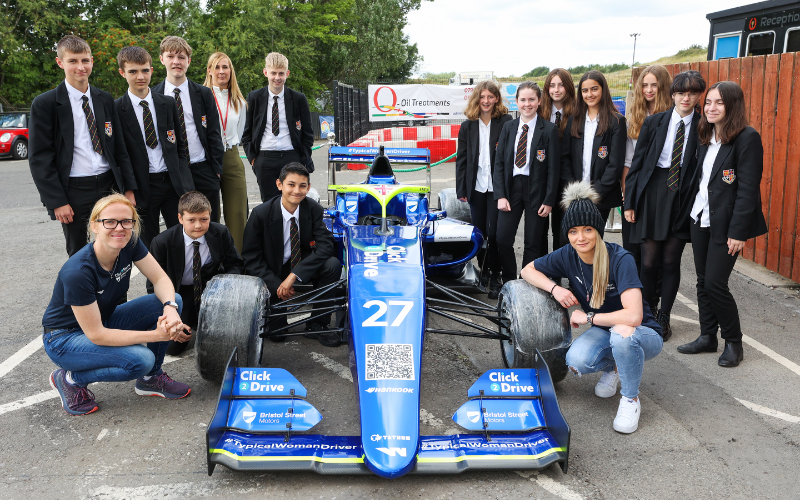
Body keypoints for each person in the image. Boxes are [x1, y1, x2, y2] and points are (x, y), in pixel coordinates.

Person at [521, 181, 663, 434]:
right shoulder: (567, 254)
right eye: (574, 231)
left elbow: (634, 315)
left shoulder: (620, 259)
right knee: (576, 360)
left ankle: (630, 399)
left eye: (588, 229)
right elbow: (527, 270)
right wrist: (556, 289)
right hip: (606, 327)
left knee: (622, 333)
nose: (581, 237)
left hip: (642, 333)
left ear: (598, 230)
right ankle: (614, 368)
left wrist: (588, 316)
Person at [42, 194, 192, 416]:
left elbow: (160, 279)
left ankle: (151, 379)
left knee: (173, 300)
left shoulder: (129, 243)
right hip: (65, 339)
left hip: (102, 319)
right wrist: (159, 335)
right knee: (142, 359)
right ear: (94, 225)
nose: (119, 228)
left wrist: (170, 310)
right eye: (109, 222)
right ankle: (70, 378)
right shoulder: (78, 272)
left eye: (126, 221)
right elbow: (97, 335)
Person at [676, 82, 767, 367]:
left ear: (732, 106)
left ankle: (734, 342)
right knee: (703, 281)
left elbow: (748, 190)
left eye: (719, 103)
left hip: (726, 225)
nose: (711, 108)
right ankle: (707, 336)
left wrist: (738, 232)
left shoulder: (747, 138)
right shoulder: (706, 134)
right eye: (709, 102)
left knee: (716, 283)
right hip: (700, 218)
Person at [28, 35, 137, 257]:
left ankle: (115, 293)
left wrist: (128, 189)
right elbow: (40, 158)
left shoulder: (105, 99)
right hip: (74, 190)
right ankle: (83, 292)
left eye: (85, 60)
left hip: (109, 185)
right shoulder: (45, 104)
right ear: (60, 63)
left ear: (92, 61)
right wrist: (57, 201)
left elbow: (119, 148)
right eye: (73, 61)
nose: (81, 67)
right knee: (79, 253)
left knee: (118, 245)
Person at [623, 70, 706, 341]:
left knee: (670, 261)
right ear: (672, 95)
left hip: (683, 196)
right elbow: (637, 166)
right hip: (653, 192)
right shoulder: (655, 122)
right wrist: (630, 202)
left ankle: (664, 316)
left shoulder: (704, 126)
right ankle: (646, 311)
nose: (686, 97)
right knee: (647, 262)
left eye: (693, 93)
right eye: (681, 92)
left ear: (698, 96)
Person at [242, 163, 340, 346]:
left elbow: (326, 246)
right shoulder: (260, 214)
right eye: (291, 184)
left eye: (302, 186)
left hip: (300, 265)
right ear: (279, 185)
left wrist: (294, 275)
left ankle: (317, 323)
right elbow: (251, 258)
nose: (297, 190)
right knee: (277, 335)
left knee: (332, 265)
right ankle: (276, 314)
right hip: (272, 271)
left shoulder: (314, 210)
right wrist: (278, 283)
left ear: (308, 187)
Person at [115, 46, 195, 248]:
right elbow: (119, 154)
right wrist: (128, 189)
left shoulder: (167, 103)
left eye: (144, 70)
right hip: (142, 186)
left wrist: (185, 182)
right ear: (122, 73)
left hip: (171, 183)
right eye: (133, 71)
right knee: (148, 243)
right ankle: (153, 280)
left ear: (152, 69)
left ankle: (177, 280)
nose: (140, 76)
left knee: (178, 239)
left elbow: (180, 147)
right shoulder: (116, 109)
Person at [148, 191, 244, 355]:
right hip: (178, 294)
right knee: (172, 347)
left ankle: (199, 320)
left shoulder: (220, 233)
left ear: (210, 216)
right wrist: (171, 316)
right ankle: (188, 320)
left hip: (211, 290)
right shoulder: (162, 242)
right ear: (180, 218)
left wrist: (227, 294)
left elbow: (235, 265)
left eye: (204, 219)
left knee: (229, 339)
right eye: (191, 220)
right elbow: (153, 285)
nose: (198, 225)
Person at [493, 81, 560, 284]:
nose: (527, 104)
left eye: (532, 99)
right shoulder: (508, 127)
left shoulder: (548, 130)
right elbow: (500, 164)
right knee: (502, 239)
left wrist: (549, 200)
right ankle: (509, 282)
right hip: (512, 188)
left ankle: (528, 283)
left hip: (536, 190)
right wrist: (501, 195)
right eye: (523, 100)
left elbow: (553, 169)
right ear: (516, 102)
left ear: (539, 101)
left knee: (533, 242)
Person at [152, 36, 225, 223]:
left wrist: (215, 170)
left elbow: (214, 133)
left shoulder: (203, 93)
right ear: (162, 59)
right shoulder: (154, 96)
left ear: (189, 61)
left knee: (210, 223)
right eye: (171, 56)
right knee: (180, 226)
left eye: (182, 57)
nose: (176, 62)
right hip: (173, 173)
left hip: (203, 169)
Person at [455, 80, 512, 298]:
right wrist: (462, 188)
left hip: (498, 190)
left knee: (496, 234)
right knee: (480, 233)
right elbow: (462, 159)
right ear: (476, 99)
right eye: (482, 97)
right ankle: (485, 271)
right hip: (476, 188)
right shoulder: (467, 126)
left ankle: (497, 275)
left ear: (497, 98)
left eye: (490, 96)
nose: (486, 101)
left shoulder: (506, 122)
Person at [240, 52, 314, 202]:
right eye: (273, 73)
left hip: (292, 157)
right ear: (265, 72)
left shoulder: (298, 99)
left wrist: (302, 158)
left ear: (287, 73)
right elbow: (246, 132)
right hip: (265, 159)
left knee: (293, 202)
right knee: (269, 205)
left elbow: (308, 133)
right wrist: (254, 159)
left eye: (281, 73)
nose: (277, 77)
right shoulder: (254, 98)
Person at [622, 65, 672, 275]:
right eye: (644, 85)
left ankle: (653, 298)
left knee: (655, 254)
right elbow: (628, 160)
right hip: (636, 186)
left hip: (660, 188)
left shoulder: (672, 115)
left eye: (654, 85)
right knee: (631, 248)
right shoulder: (634, 115)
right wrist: (626, 192)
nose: (649, 90)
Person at [560, 70, 626, 223]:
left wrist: (592, 193)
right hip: (574, 196)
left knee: (592, 241)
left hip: (601, 197)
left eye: (594, 89)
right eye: (585, 90)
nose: (589, 94)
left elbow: (615, 165)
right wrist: (575, 191)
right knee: (571, 241)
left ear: (603, 89)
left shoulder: (616, 122)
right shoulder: (573, 120)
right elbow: (564, 158)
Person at [203, 52, 249, 253]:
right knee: (209, 212)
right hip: (206, 158)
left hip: (231, 155)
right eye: (217, 67)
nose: (222, 71)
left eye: (226, 67)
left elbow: (239, 133)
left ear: (231, 71)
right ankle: (211, 258)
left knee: (237, 212)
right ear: (209, 71)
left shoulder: (239, 101)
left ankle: (237, 259)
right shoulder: (201, 98)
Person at [539, 68, 576, 251]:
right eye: (552, 85)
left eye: (561, 85)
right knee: (539, 230)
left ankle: (561, 267)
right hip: (543, 178)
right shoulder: (539, 112)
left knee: (562, 230)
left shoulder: (578, 113)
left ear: (568, 87)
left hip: (567, 178)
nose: (556, 90)